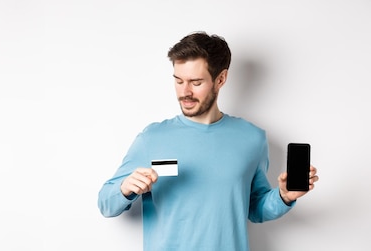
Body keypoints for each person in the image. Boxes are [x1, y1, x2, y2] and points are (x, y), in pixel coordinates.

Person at [97, 31, 319, 251]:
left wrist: (283, 197)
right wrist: (125, 188)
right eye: (178, 81)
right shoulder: (152, 138)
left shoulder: (252, 138)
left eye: (195, 82)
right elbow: (106, 203)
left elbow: (255, 208)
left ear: (220, 79)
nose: (185, 92)